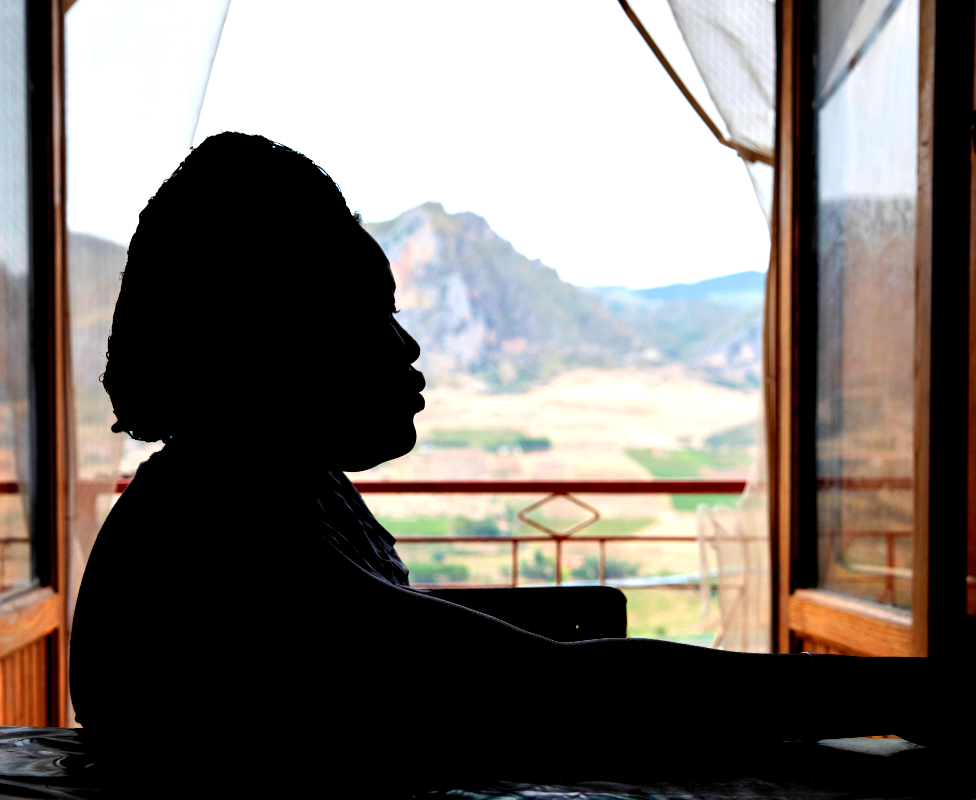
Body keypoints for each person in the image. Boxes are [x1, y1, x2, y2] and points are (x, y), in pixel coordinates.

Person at [69, 133, 943, 796]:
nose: (409, 348)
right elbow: (558, 693)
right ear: (271, 339)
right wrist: (916, 692)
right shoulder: (223, 528)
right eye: (368, 317)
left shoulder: (254, 493)